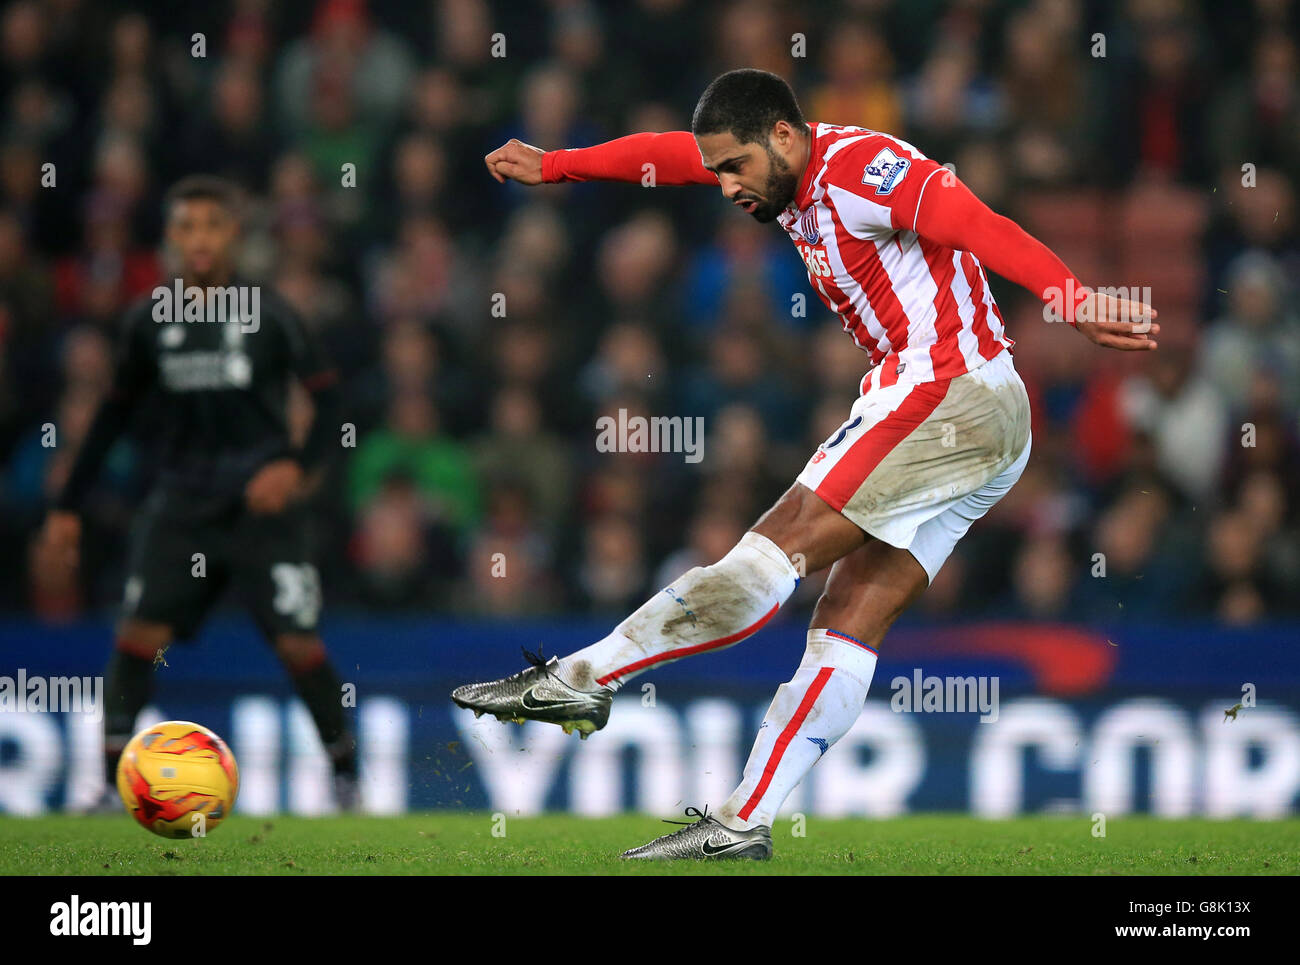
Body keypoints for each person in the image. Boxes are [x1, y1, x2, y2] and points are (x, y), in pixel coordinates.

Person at [454, 68, 1158, 860]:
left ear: (783, 136)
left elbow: (971, 219)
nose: (723, 185)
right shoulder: (771, 175)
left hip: (947, 387)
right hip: (982, 419)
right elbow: (664, 154)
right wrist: (556, 165)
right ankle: (745, 815)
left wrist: (1072, 297)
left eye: (734, 168)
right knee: (847, 615)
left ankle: (583, 678)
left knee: (772, 548)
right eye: (717, 170)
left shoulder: (859, 167)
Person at [38, 175, 359, 810]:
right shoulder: (148, 321)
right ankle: (106, 786)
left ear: (234, 234)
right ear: (170, 238)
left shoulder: (271, 313)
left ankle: (346, 774)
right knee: (136, 637)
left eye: (212, 225)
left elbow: (329, 402)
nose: (199, 239)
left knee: (299, 642)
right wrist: (69, 504)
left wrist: (293, 466)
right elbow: (112, 415)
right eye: (186, 227)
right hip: (181, 503)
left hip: (261, 508)